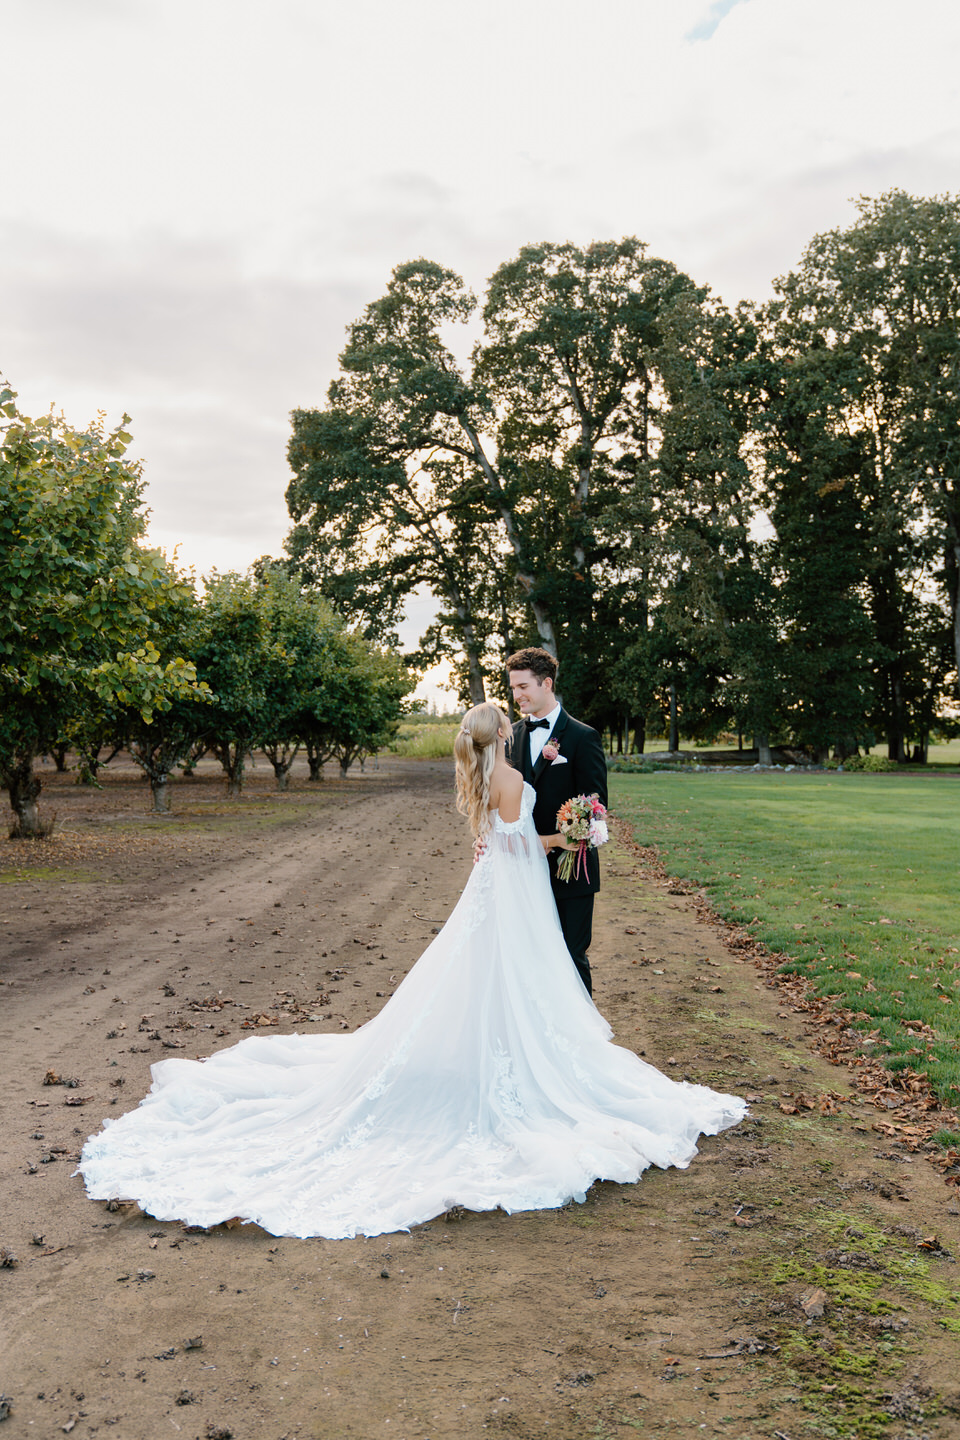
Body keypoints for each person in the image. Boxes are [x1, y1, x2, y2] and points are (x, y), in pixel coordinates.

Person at [78, 704, 745, 1240]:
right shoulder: (511, 780)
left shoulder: (480, 779)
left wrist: (552, 805)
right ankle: (511, 1065)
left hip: (488, 894)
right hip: (516, 895)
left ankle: (485, 1055)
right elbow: (523, 845)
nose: (513, 724)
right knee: (520, 981)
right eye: (506, 723)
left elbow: (491, 842)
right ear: (500, 737)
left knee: (478, 982)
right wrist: (575, 834)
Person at [507, 647, 606, 995]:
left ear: (546, 683)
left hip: (570, 869)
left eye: (523, 687)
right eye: (514, 688)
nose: (517, 695)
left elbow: (596, 805)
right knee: (527, 955)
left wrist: (561, 840)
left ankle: (584, 1039)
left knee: (570, 955)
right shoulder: (510, 737)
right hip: (520, 866)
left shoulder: (583, 737)